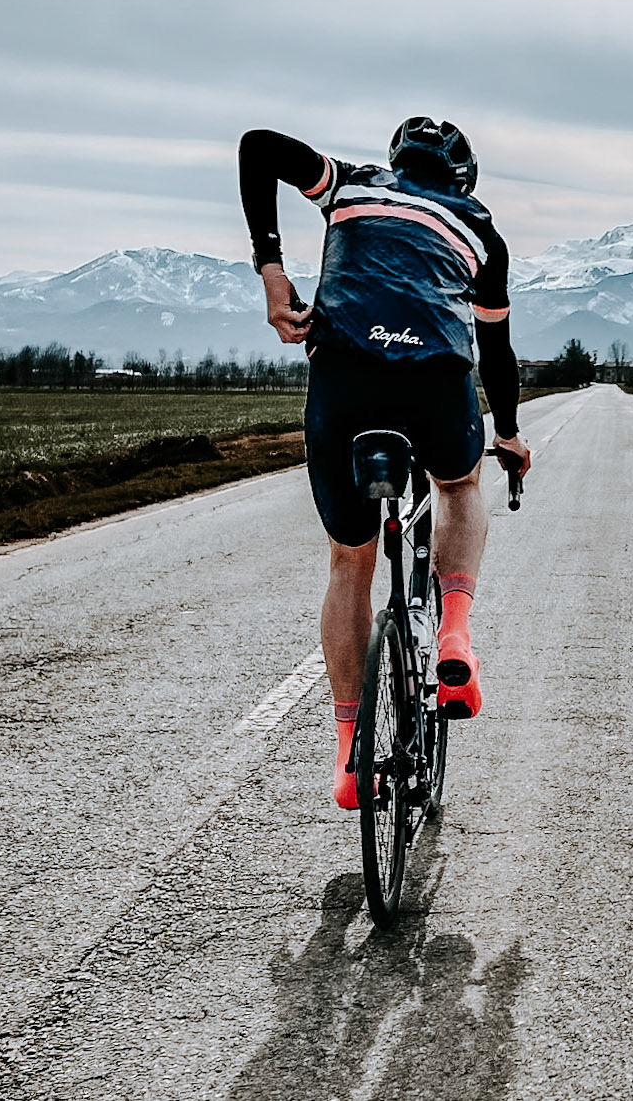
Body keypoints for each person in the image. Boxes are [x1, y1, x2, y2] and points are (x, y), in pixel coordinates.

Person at [239, 117, 531, 809]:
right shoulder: (481, 231)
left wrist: (273, 272)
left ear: (396, 160)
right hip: (433, 375)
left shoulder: (348, 182)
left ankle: (349, 759)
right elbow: (496, 352)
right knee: (460, 483)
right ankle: (454, 633)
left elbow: (257, 147)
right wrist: (512, 434)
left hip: (346, 375)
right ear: (463, 179)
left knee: (350, 561)